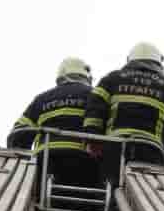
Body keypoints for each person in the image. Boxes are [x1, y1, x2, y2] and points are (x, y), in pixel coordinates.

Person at [83, 42, 164, 187]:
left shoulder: (112, 79)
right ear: (158, 63)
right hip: (151, 150)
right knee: (149, 193)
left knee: (111, 187)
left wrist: (92, 139)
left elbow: (95, 110)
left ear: (130, 60)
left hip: (115, 146)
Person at [13, 57, 99, 188]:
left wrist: (18, 154)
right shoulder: (97, 96)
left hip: (47, 162)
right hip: (87, 162)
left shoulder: (42, 98)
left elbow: (20, 133)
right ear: (86, 77)